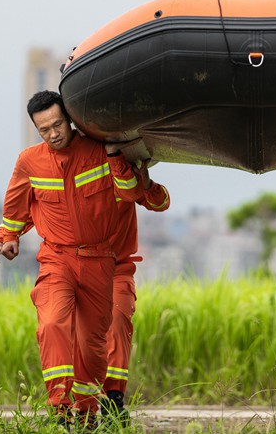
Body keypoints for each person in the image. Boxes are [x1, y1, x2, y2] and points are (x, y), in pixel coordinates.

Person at [0, 90, 144, 428]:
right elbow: (14, 213)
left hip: (100, 260)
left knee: (92, 344)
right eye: (44, 129)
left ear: (70, 120)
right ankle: (59, 410)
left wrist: (115, 155)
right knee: (52, 322)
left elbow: (131, 191)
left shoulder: (99, 151)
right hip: (57, 258)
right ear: (36, 130)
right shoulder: (29, 162)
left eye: (57, 125)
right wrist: (4, 238)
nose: (53, 134)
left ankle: (87, 413)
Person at [100, 160, 170, 425]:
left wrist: (146, 182)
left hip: (117, 268)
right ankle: (76, 403)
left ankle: (113, 399)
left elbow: (160, 202)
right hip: (79, 267)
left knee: (118, 322)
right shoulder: (72, 168)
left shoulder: (121, 171)